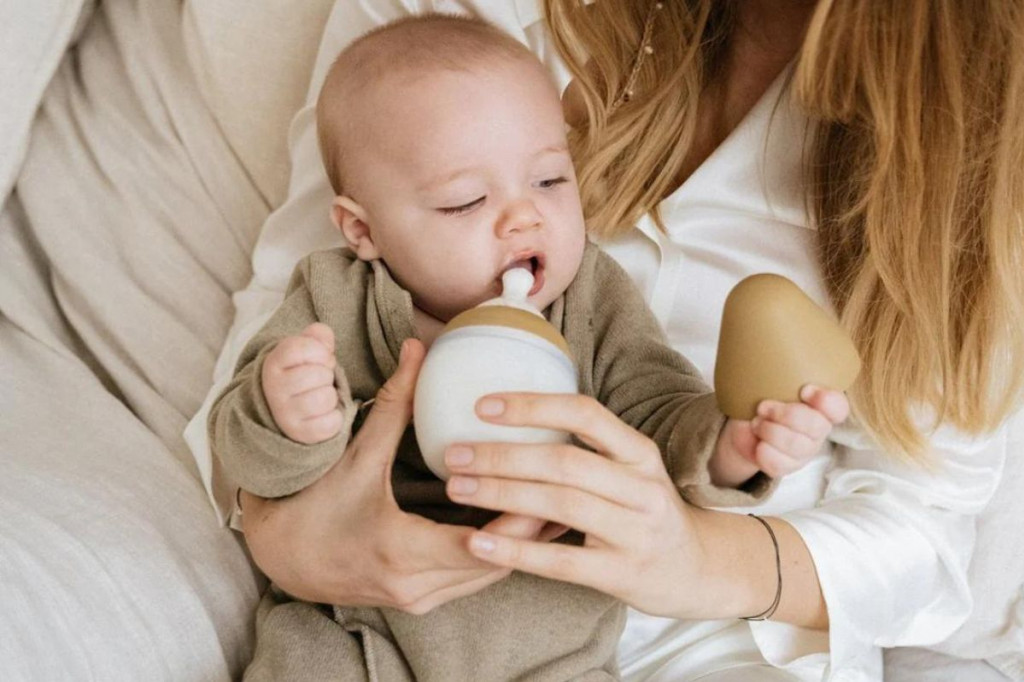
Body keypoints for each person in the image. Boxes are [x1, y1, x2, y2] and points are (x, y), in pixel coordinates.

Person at [230, 1, 1024, 680]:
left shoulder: (591, 298)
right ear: (362, 231)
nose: (523, 219)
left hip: (567, 631)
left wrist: (727, 453)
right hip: (358, 625)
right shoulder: (341, 292)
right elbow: (244, 422)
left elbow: (660, 404)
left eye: (552, 181)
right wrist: (290, 432)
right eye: (467, 200)